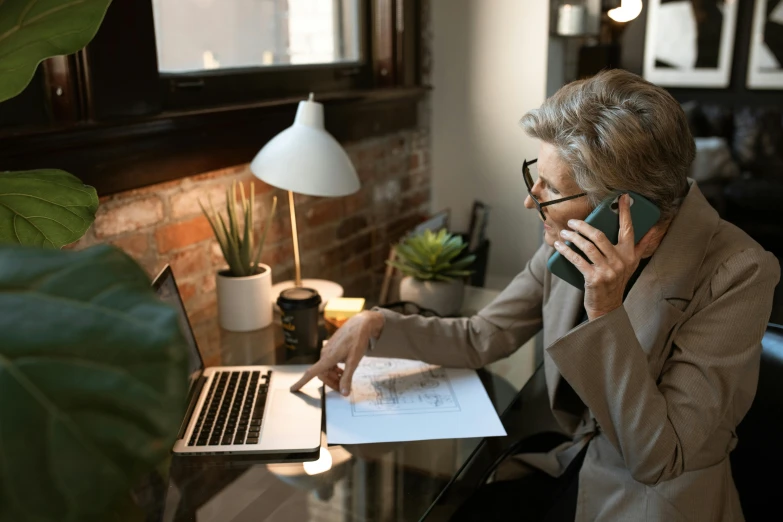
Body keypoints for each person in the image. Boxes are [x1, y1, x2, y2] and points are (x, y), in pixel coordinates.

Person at [291, 69, 780, 521]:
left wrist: (604, 308)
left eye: (548, 188)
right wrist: (375, 323)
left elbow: (658, 457)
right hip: (571, 462)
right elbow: (484, 335)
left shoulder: (740, 272)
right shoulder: (572, 235)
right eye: (534, 176)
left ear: (619, 208)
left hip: (654, 501)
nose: (531, 200)